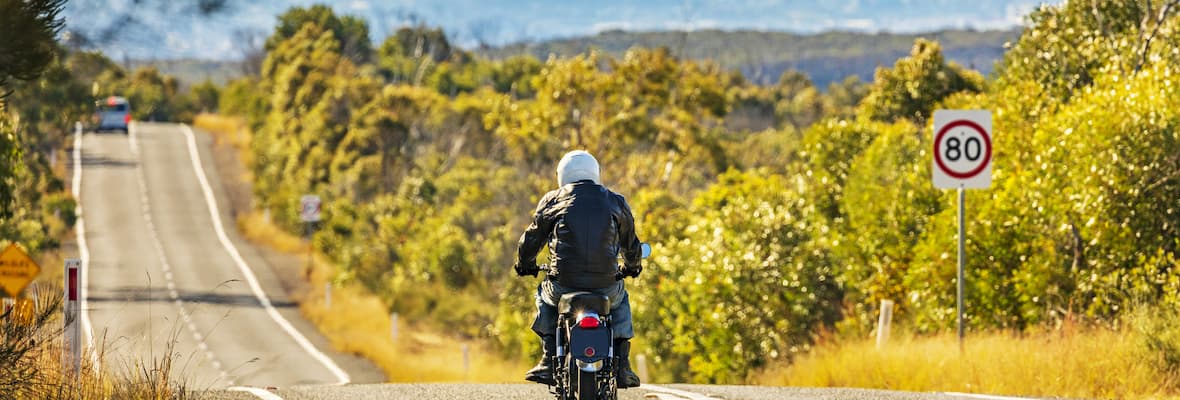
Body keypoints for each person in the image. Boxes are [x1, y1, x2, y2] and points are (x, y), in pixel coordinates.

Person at [514, 150, 644, 388]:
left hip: (563, 283)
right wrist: (633, 266)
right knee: (621, 301)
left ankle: (548, 360)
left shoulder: (553, 200)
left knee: (544, 296)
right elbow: (631, 245)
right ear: (594, 173)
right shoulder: (615, 201)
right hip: (606, 284)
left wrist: (525, 264)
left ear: (562, 175)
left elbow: (531, 238)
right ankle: (623, 366)